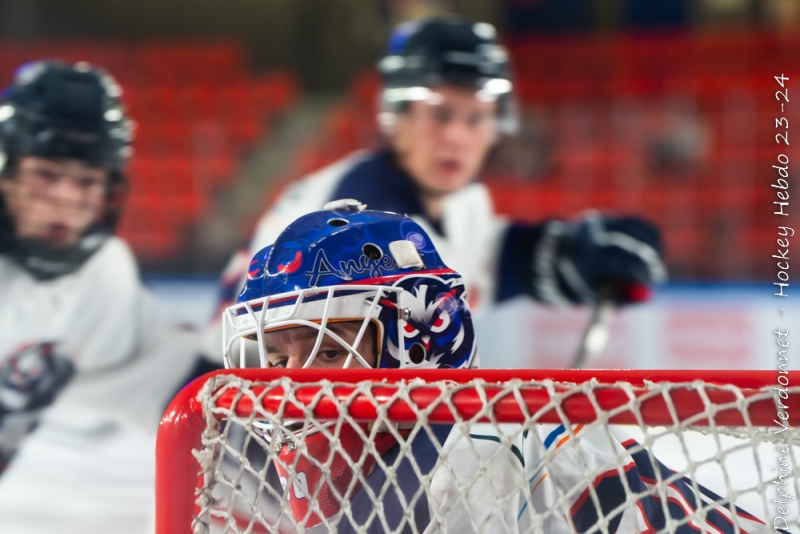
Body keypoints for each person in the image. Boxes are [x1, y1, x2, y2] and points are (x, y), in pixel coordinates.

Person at [219, 204, 771, 534]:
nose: (288, 384)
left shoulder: (474, 458)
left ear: (421, 341)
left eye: (331, 352)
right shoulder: (347, 462)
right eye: (275, 357)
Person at [202, 14, 666, 363]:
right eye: (440, 114)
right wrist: (560, 260)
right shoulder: (359, 206)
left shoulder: (464, 203)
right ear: (396, 119)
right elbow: (437, 297)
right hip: (249, 420)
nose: (458, 137)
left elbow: (484, 258)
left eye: (477, 118)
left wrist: (576, 252)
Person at [0, 61, 198, 533]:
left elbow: (194, 392)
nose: (66, 199)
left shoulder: (104, 274)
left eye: (87, 180)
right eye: (45, 175)